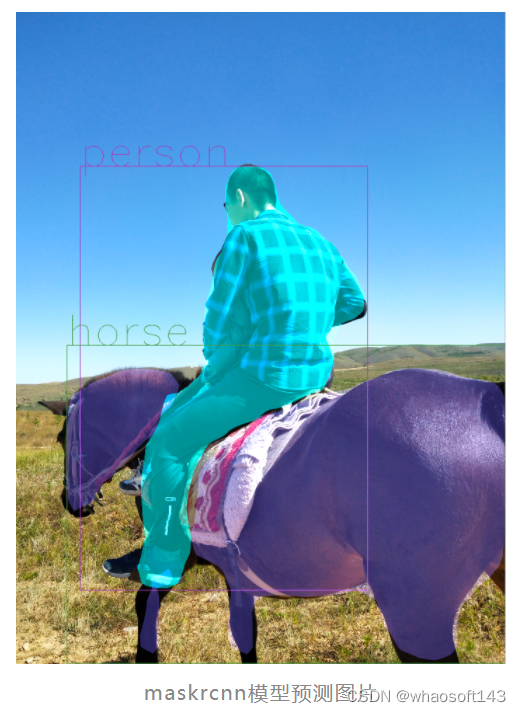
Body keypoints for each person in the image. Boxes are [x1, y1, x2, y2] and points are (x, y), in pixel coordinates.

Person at [102, 165, 366, 584]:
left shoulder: (243, 237)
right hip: (318, 374)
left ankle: (163, 563)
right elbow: (355, 303)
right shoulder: (322, 242)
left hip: (265, 377)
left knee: (169, 440)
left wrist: (215, 366)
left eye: (226, 206)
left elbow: (219, 318)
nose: (227, 213)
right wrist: (305, 322)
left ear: (240, 198)